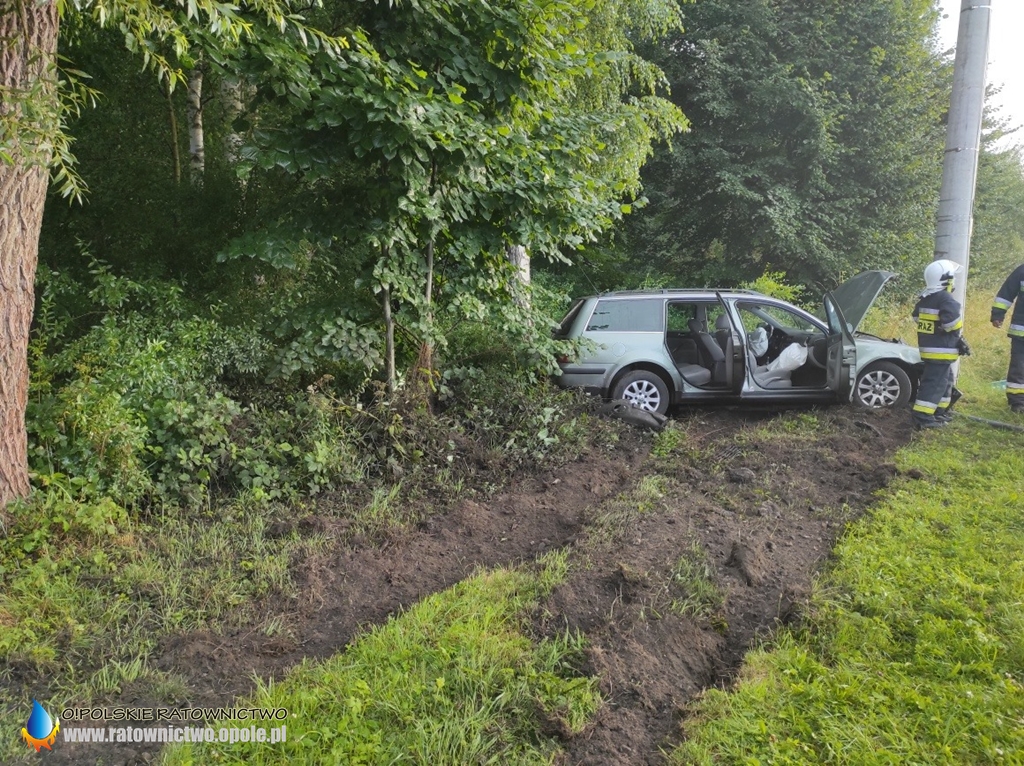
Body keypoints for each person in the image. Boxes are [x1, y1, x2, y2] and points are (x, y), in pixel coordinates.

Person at [911, 259, 964, 428]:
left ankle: (939, 412)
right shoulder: (946, 299)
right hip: (942, 350)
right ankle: (922, 417)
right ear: (947, 279)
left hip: (929, 349)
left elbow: (916, 317)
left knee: (945, 381)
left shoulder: (926, 298)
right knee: (934, 384)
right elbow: (952, 324)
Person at [990, 262, 1024, 413]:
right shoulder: (1022, 271)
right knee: (1019, 368)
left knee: (1019, 368)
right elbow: (1006, 294)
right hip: (1021, 333)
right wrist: (997, 314)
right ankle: (1018, 403)